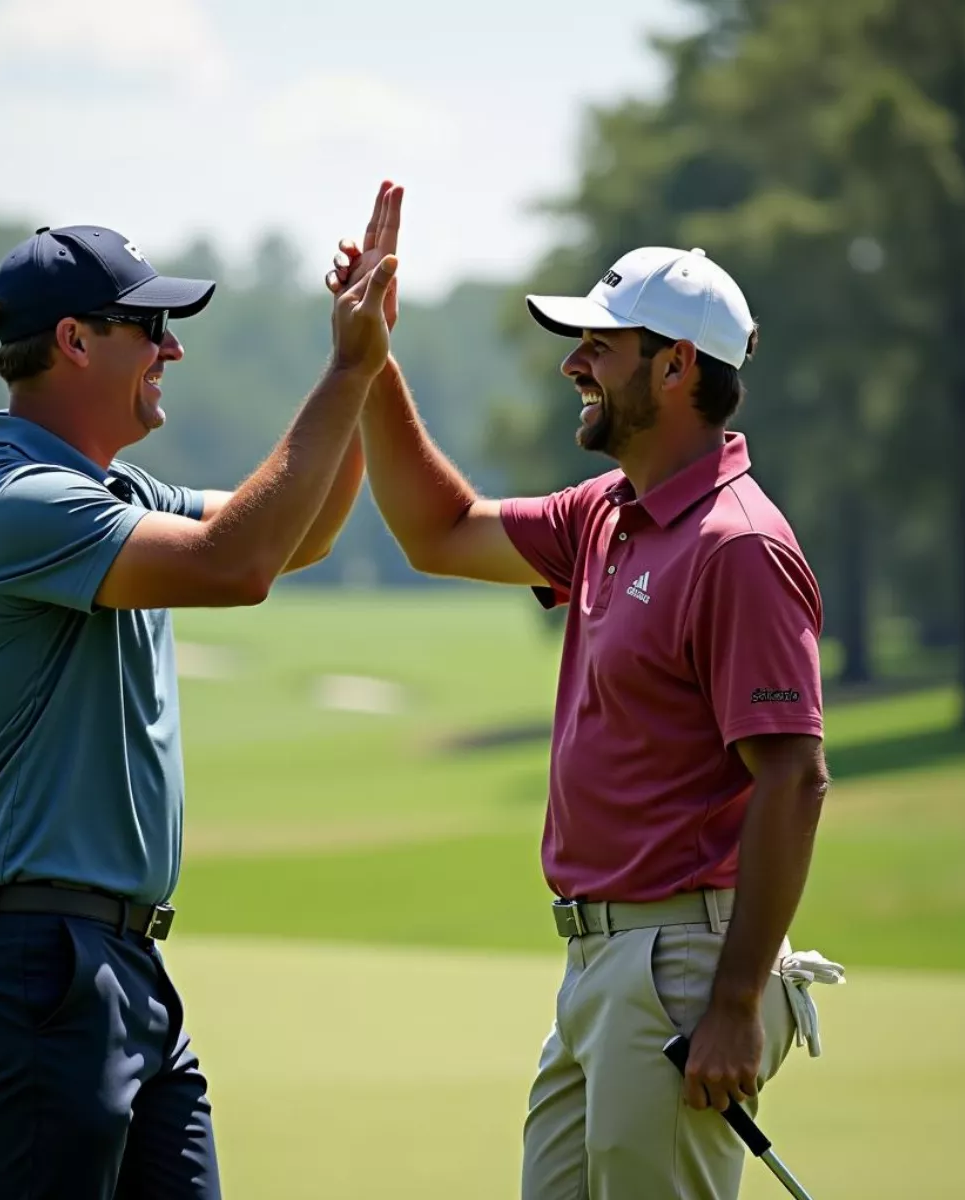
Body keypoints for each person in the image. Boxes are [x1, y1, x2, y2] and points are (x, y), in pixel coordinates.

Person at [327, 184, 836, 1200]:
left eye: (599, 346)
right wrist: (372, 365)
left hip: (685, 965)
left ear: (677, 366)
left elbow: (795, 780)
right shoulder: (609, 512)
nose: (573, 365)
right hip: (599, 964)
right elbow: (439, 531)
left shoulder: (736, 546)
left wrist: (735, 1002)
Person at [0, 222, 398, 1200]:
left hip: (114, 967)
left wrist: (365, 372)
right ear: (75, 341)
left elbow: (298, 536)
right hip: (36, 964)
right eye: (151, 325)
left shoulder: (115, 492)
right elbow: (237, 565)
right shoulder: (16, 501)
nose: (173, 349)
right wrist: (340, 370)